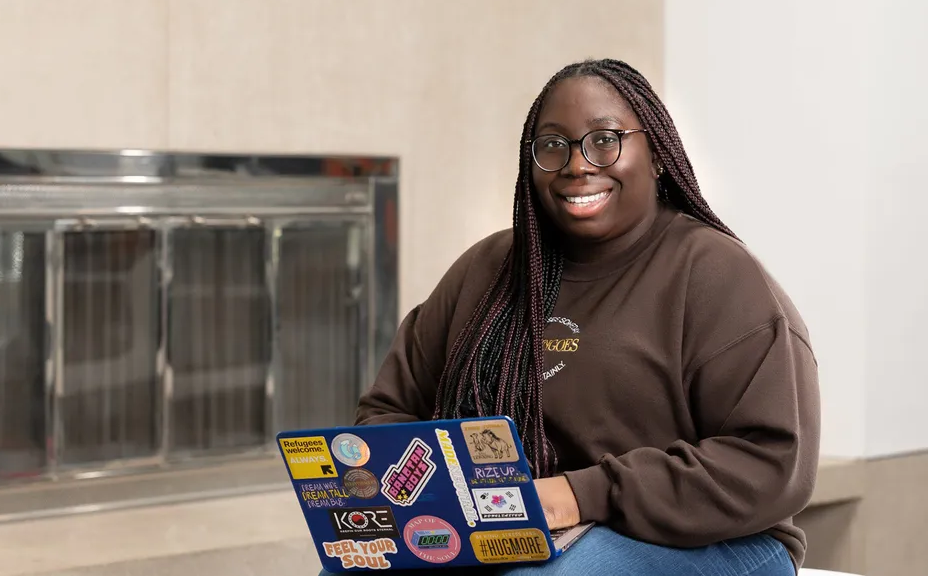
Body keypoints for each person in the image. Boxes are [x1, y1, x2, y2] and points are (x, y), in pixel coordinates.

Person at [346, 59, 820, 576]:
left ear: (657, 154)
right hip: (518, 528)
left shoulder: (716, 273)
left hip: (720, 540)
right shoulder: (488, 272)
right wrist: (432, 498)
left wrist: (577, 494)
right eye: (553, 145)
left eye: (605, 140)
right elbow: (389, 411)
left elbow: (772, 463)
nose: (577, 165)